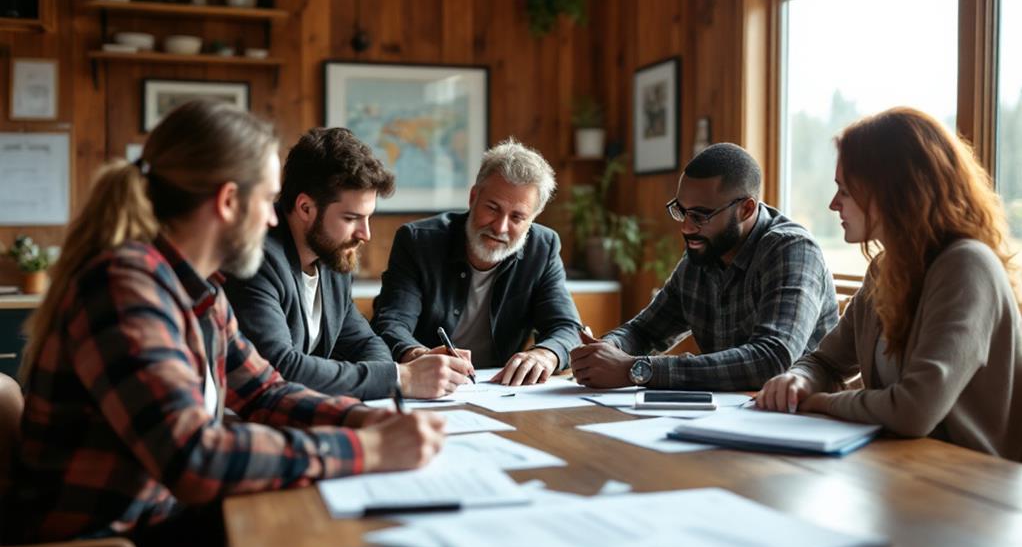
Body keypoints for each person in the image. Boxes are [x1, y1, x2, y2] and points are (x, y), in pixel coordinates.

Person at [5, 100, 445, 547]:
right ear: (228, 201)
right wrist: (370, 450)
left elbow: (264, 391)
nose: (274, 220)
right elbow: (196, 459)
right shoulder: (124, 289)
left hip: (160, 520)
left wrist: (361, 421)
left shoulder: (197, 288)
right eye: (267, 200)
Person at [756, 107, 1022, 460]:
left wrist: (819, 402)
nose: (833, 204)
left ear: (893, 193)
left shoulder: (967, 266)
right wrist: (799, 381)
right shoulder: (884, 269)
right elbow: (826, 363)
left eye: (845, 191)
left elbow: (914, 410)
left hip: (971, 485)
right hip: (901, 469)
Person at [224, 128, 473, 400]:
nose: (365, 234)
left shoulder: (332, 259)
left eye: (368, 218)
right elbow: (279, 368)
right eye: (351, 218)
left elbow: (365, 343)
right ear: (305, 208)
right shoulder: (256, 260)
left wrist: (398, 372)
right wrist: (404, 377)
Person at [570, 142, 838, 390]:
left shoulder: (792, 250)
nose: (686, 227)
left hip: (800, 416)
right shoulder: (704, 253)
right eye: (682, 211)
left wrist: (637, 369)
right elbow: (645, 331)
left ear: (746, 209)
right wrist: (607, 349)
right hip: (726, 414)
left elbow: (772, 358)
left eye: (701, 215)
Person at [371, 138, 581, 386]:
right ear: (473, 197)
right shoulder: (418, 242)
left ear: (532, 219)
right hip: (427, 385)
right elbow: (391, 323)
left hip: (502, 390)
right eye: (492, 208)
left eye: (517, 217)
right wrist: (419, 356)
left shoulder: (543, 248)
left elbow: (567, 327)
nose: (500, 227)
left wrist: (546, 355)